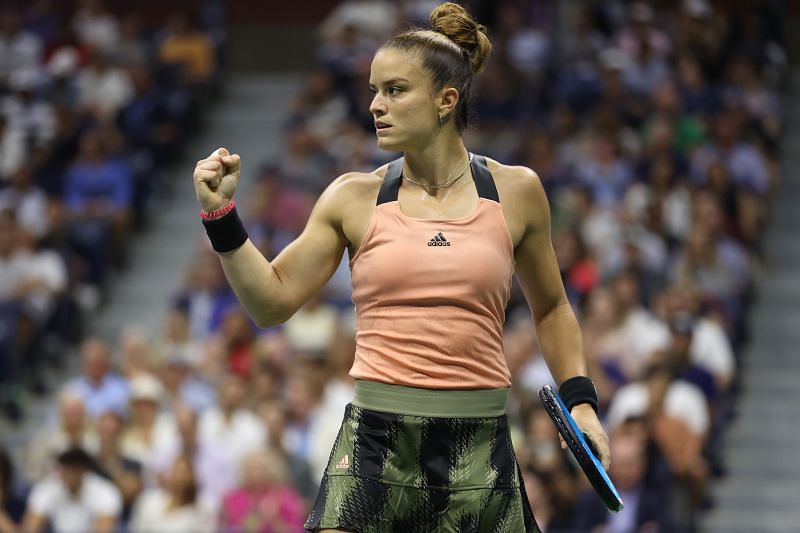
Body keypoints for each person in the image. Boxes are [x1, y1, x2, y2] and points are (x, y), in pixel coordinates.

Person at [192, 4, 609, 532]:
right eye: (373, 90)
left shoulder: (517, 192)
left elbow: (551, 308)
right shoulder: (352, 197)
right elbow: (270, 302)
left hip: (477, 443)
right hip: (375, 440)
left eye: (394, 90)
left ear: (445, 100)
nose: (375, 105)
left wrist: (583, 405)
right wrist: (220, 217)